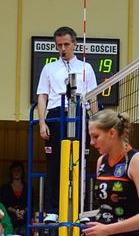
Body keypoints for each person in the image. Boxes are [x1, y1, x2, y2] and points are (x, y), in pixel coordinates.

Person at [36, 26, 98, 222]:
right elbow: (42, 96)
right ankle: (52, 211)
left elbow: (93, 97)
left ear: (74, 44)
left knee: (79, 165)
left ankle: (80, 211)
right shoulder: (49, 68)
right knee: (54, 165)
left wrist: (94, 125)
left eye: (66, 44)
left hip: (79, 116)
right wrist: (42, 123)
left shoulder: (86, 68)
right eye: (59, 45)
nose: (62, 48)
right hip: (56, 116)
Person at [0, 160, 29, 235]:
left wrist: (23, 212)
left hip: (25, 215)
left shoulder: (28, 187)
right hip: (9, 216)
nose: (16, 172)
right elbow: (4, 204)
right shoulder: (5, 188)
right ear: (11, 172)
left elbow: (30, 204)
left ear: (22, 172)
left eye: (19, 170)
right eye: (14, 170)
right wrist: (15, 212)